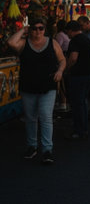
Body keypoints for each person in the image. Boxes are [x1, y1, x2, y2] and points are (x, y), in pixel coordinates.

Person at [8, 18, 66, 164]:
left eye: (41, 28)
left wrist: (60, 71)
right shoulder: (24, 43)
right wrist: (23, 29)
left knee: (45, 116)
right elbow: (11, 43)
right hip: (28, 86)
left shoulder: (52, 43)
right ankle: (32, 146)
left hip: (48, 85)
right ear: (30, 30)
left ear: (45, 29)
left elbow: (62, 60)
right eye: (34, 28)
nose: (38, 31)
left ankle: (47, 149)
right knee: (30, 118)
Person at [65, 20, 90, 140]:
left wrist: (65, 68)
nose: (67, 34)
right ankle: (83, 127)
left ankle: (79, 130)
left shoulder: (74, 41)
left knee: (77, 103)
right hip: (88, 74)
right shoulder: (87, 39)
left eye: (68, 32)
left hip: (78, 75)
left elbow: (73, 58)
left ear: (71, 30)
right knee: (83, 102)